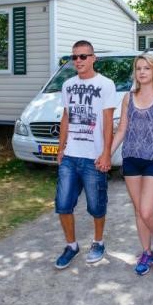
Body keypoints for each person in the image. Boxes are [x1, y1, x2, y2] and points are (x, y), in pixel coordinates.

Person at [111, 54, 153, 276]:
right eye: (139, 68)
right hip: (131, 158)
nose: (142, 72)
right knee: (138, 211)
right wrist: (106, 154)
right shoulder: (128, 98)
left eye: (146, 68)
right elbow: (121, 129)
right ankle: (146, 251)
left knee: (147, 210)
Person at [54, 40, 117, 269]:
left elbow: (109, 122)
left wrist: (106, 153)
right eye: (74, 57)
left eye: (83, 56)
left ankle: (98, 242)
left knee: (96, 205)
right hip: (70, 156)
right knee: (63, 204)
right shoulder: (68, 85)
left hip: (94, 157)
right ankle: (71, 246)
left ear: (93, 58)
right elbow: (66, 117)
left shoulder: (106, 84)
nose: (78, 61)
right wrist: (61, 148)